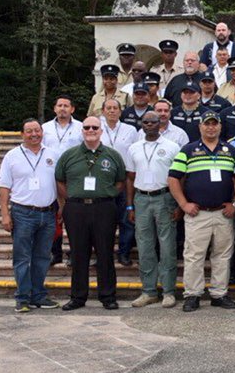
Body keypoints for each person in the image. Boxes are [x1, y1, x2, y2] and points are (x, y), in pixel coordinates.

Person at [168, 111, 235, 312]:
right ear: (200, 127)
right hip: (197, 213)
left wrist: (234, 204)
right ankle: (192, 294)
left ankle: (219, 294)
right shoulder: (188, 150)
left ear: (219, 127)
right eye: (207, 124)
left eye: (214, 124)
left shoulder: (231, 151)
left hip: (223, 213)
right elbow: (173, 178)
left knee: (222, 255)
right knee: (194, 256)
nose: (211, 127)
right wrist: (183, 205)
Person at [55, 115, 127, 311]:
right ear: (82, 130)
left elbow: (121, 180)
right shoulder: (69, 155)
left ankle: (108, 296)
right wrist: (69, 198)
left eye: (95, 127)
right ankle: (78, 297)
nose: (91, 130)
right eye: (86, 127)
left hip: (104, 208)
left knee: (105, 253)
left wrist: (109, 193)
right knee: (79, 254)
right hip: (76, 209)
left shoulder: (112, 155)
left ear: (101, 131)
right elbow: (59, 179)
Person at [0, 119, 60, 312]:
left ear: (42, 132)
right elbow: (4, 187)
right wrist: (5, 214)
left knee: (42, 257)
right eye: (29, 131)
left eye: (37, 130)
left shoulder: (52, 155)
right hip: (23, 212)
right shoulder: (12, 156)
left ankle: (38, 295)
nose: (34, 134)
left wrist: (62, 209)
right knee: (22, 257)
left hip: (48, 213)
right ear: (22, 134)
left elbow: (59, 184)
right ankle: (22, 298)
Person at [123, 111, 182, 308]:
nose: (149, 125)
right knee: (145, 245)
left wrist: (178, 203)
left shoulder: (172, 147)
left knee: (167, 246)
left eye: (153, 122)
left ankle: (168, 291)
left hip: (164, 197)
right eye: (145, 122)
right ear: (142, 124)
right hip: (141, 198)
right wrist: (130, 204)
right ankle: (148, 291)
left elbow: (181, 177)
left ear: (160, 123)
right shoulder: (133, 148)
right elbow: (130, 178)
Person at [99, 99, 138, 266]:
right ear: (103, 111)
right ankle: (103, 255)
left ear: (120, 112)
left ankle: (124, 253)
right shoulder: (96, 129)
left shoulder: (130, 130)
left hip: (124, 180)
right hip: (102, 181)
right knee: (102, 222)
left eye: (115, 108)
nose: (112, 111)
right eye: (108, 108)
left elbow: (135, 153)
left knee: (126, 220)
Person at [42, 95, 83, 159]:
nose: (62, 108)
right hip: (50, 165)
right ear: (55, 109)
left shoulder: (81, 127)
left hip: (73, 165)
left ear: (72, 109)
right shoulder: (45, 128)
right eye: (59, 105)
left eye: (66, 106)